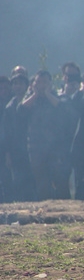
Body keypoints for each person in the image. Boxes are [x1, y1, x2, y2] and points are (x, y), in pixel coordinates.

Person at [17, 70, 73, 200]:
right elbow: (20, 110)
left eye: (45, 82)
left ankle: (65, 208)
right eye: (39, 82)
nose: (42, 85)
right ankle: (46, 207)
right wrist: (36, 94)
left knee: (60, 180)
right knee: (41, 180)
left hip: (56, 148)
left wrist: (47, 94)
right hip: (36, 147)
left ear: (50, 83)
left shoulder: (58, 96)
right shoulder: (30, 98)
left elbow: (63, 109)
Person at [2, 73, 36, 201]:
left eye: (20, 83)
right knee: (19, 181)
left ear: (27, 85)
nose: (17, 87)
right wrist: (8, 154)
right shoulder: (9, 107)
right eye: (15, 84)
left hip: (32, 146)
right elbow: (8, 133)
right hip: (16, 150)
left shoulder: (34, 101)